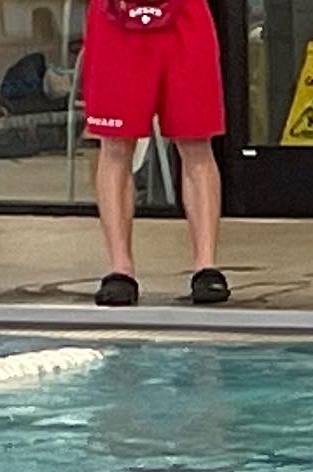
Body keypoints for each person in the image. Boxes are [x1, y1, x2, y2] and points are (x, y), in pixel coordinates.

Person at [81, 0, 229, 307]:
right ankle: (120, 269)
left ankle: (206, 265)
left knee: (195, 142)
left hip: (184, 16)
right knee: (116, 143)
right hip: (115, 17)